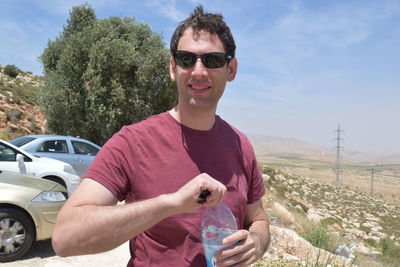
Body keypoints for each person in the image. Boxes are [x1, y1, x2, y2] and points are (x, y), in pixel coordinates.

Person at [52, 5, 270, 266]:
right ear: (172, 67)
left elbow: (258, 219)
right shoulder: (132, 142)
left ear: (230, 69)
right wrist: (170, 203)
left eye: (212, 60)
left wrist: (255, 243)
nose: (199, 71)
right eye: (186, 59)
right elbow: (65, 238)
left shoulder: (240, 144)